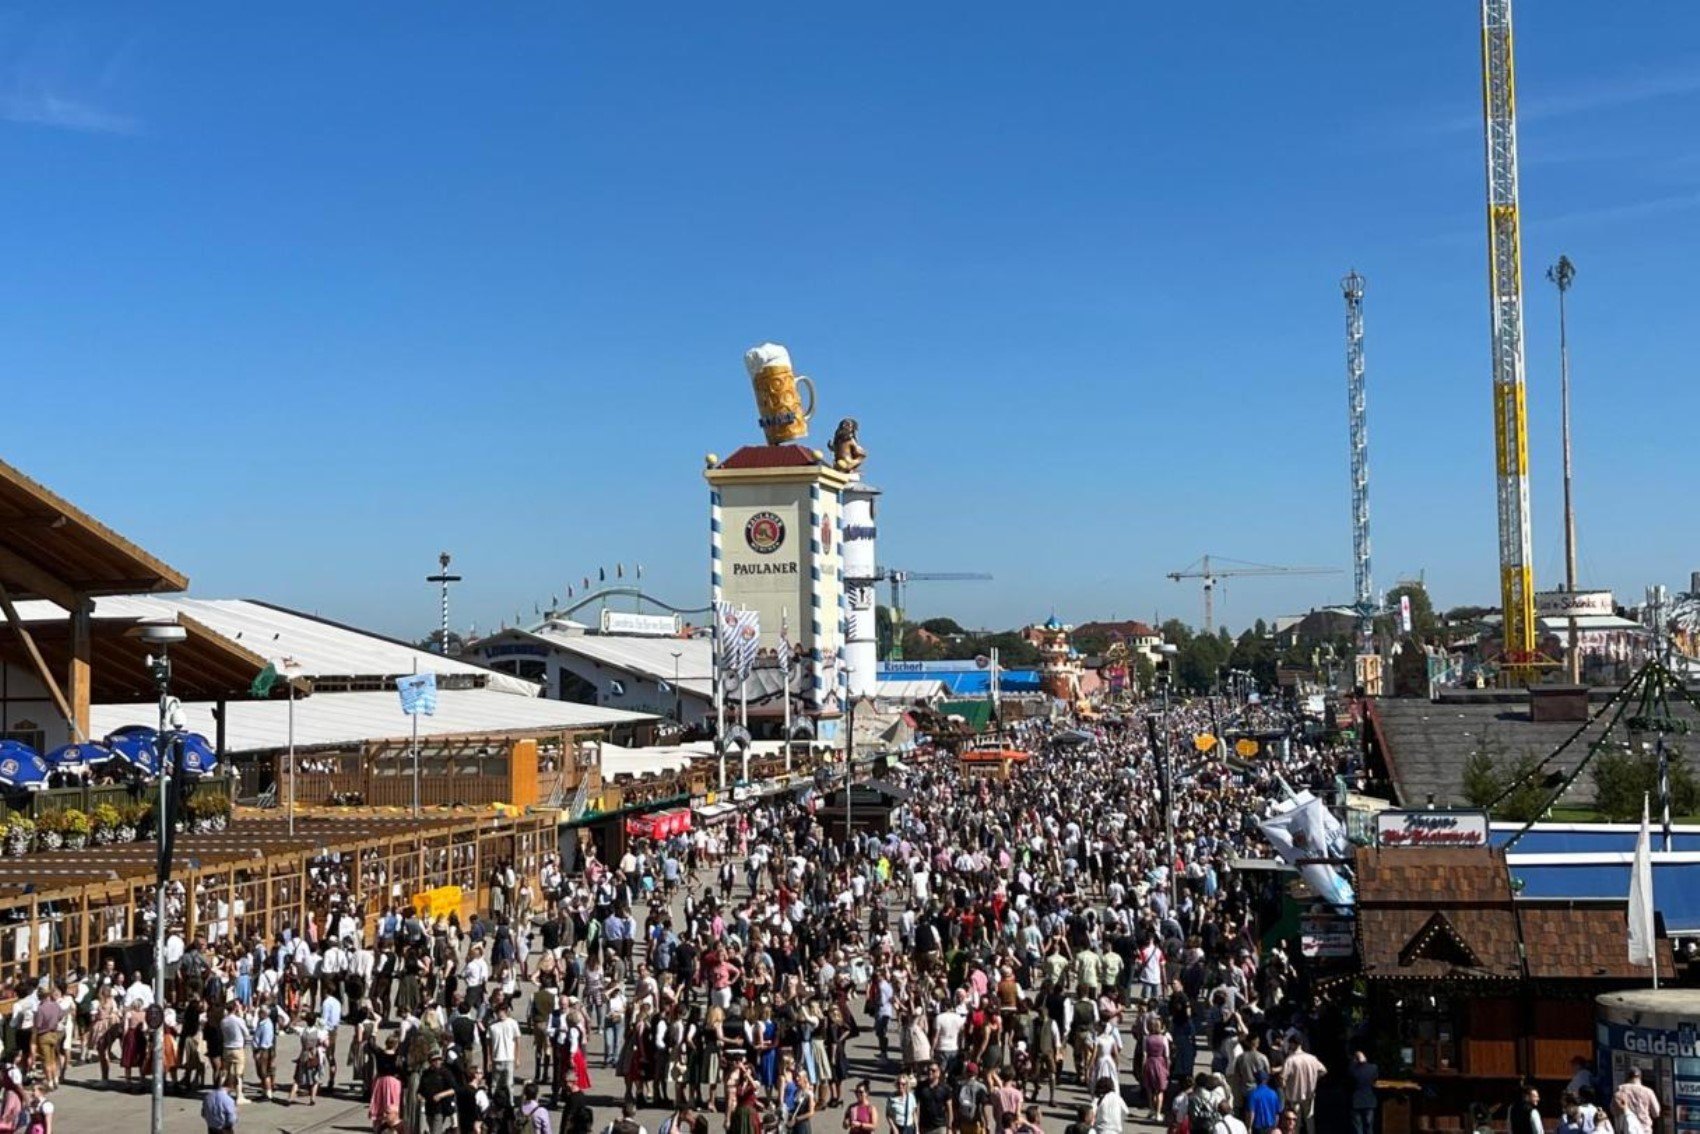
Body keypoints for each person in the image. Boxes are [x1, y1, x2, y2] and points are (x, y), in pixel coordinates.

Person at [1278, 1039, 1325, 1134]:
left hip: (1294, 1096)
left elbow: (1282, 1078)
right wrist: (1314, 1079)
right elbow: (1323, 1070)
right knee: (1309, 1121)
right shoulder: (1312, 1058)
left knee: (1294, 1123)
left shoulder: (1290, 1060)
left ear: (1293, 1044)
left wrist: (1284, 1090)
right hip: (1309, 1095)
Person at [1616, 1068, 1660, 1134]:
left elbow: (1613, 1110)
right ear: (1640, 1077)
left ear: (1628, 1077)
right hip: (1645, 1130)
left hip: (1627, 1128)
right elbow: (1656, 1113)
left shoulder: (1620, 1089)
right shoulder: (1648, 1091)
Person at [1349, 1050, 1378, 1134]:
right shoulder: (1374, 1068)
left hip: (1355, 1101)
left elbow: (1349, 1083)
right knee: (1369, 1126)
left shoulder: (1352, 1070)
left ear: (1355, 1060)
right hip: (1369, 1100)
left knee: (1358, 1127)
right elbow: (1374, 1080)